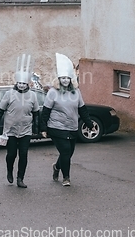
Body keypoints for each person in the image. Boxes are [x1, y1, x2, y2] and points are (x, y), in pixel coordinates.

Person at [40, 53, 95, 187]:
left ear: (71, 79)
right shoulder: (53, 92)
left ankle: (57, 167)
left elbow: (82, 109)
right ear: (59, 79)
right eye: (62, 78)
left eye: (67, 78)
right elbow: (45, 111)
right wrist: (43, 128)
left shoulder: (76, 92)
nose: (65, 80)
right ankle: (66, 177)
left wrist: (89, 124)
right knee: (65, 151)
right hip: (56, 127)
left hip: (72, 127)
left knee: (68, 153)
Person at [0, 54, 40, 188]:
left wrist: (38, 129)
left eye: (23, 83)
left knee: (23, 155)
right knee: (11, 154)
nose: (21, 85)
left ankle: (20, 178)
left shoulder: (33, 96)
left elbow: (36, 113)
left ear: (27, 84)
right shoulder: (9, 94)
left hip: (25, 130)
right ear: (16, 83)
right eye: (19, 83)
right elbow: (0, 110)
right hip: (11, 131)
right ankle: (9, 170)